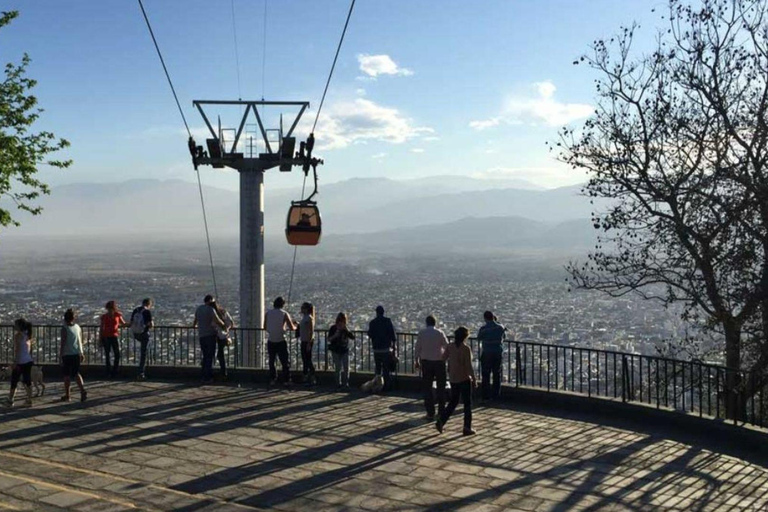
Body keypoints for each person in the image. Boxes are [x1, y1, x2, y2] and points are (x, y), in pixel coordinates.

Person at [436, 326, 476, 436]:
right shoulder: (466, 349)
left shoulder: (450, 346)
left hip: (453, 378)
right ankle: (467, 427)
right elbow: (469, 366)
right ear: (465, 337)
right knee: (467, 403)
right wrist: (474, 379)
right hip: (464, 378)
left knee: (453, 402)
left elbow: (443, 358)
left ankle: (441, 421)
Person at [415, 315, 449, 421]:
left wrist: (416, 361)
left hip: (426, 362)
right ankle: (441, 411)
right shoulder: (439, 333)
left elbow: (417, 348)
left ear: (426, 323)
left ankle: (430, 412)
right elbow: (447, 346)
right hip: (439, 362)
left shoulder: (422, 333)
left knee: (427, 387)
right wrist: (445, 358)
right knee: (441, 387)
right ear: (435, 323)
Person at [264, 296, 296, 386]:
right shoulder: (284, 314)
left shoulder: (268, 313)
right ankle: (286, 380)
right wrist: (295, 326)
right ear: (283, 305)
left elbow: (265, 327)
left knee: (272, 361)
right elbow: (292, 328)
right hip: (281, 340)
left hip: (271, 340)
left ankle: (273, 379)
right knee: (285, 362)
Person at [193, 295, 225, 383]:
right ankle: (208, 377)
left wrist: (196, 326)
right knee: (210, 357)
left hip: (201, 335)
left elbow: (195, 321)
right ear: (210, 300)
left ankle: (203, 375)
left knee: (205, 356)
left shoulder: (199, 309)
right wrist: (223, 325)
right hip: (210, 335)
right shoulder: (211, 310)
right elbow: (217, 320)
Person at [477, 310, 506, 401]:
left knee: (486, 375)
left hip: (487, 353)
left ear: (485, 318)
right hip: (497, 352)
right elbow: (503, 337)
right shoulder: (500, 327)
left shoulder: (484, 329)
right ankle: (496, 395)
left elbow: (479, 338)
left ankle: (486, 396)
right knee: (496, 374)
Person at [60, 309, 87, 402]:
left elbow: (63, 343)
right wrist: (82, 352)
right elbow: (80, 341)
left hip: (67, 354)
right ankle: (82, 390)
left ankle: (68, 395)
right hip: (76, 354)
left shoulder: (64, 329)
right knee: (76, 373)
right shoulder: (77, 327)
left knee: (66, 375)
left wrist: (60, 355)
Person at [368, 305, 397, 392]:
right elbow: (392, 334)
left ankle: (377, 386)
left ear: (376, 312)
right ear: (383, 312)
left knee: (377, 369)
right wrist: (393, 346)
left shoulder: (372, 322)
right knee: (386, 369)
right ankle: (386, 387)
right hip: (386, 349)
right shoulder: (387, 321)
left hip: (376, 349)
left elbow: (370, 334)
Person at [8, 318, 34, 407]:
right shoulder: (28, 335)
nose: (14, 326)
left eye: (15, 325)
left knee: (14, 380)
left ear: (19, 326)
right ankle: (29, 400)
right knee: (27, 381)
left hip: (20, 362)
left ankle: (10, 400)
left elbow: (17, 350)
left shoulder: (18, 336)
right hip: (28, 360)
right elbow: (29, 349)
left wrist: (15, 362)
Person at [99, 301, 127, 378]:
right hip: (106, 337)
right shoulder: (104, 317)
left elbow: (123, 323)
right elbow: (101, 328)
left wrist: (132, 324)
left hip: (114, 336)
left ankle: (114, 371)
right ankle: (109, 372)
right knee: (107, 355)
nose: (110, 310)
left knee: (117, 354)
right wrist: (100, 339)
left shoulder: (117, 315)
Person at [328, 312, 354, 389]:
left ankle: (345, 384)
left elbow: (352, 337)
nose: (341, 323)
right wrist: (335, 335)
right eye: (340, 321)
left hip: (344, 350)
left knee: (346, 368)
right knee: (338, 368)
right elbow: (329, 339)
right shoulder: (333, 328)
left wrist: (346, 329)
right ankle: (338, 384)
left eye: (343, 321)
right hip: (336, 350)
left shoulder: (345, 329)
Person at [130, 298, 154, 380]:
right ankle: (141, 373)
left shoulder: (136, 310)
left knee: (142, 352)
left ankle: (141, 371)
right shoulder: (147, 311)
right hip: (144, 334)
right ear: (149, 304)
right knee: (143, 354)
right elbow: (150, 324)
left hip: (136, 334)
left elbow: (131, 322)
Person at [214, 303, 235, 380]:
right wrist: (226, 329)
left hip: (218, 337)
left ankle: (223, 373)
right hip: (224, 336)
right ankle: (223, 373)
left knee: (219, 355)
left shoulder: (214, 315)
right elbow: (231, 323)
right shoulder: (224, 312)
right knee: (220, 354)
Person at [298, 302, 316, 386]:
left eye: (303, 307)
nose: (301, 309)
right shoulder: (305, 317)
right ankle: (306, 376)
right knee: (305, 359)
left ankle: (312, 376)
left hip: (307, 341)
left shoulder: (309, 318)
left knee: (307, 359)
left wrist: (309, 343)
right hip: (304, 341)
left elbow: (311, 331)